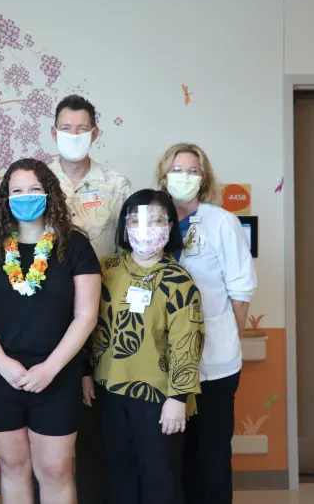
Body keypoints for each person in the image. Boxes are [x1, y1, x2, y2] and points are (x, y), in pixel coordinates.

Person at [0, 158, 101, 504]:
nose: (26, 197)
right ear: (5, 198)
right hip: (0, 373)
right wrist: (2, 363)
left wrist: (50, 368)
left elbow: (85, 315)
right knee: (13, 465)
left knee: (55, 469)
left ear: (49, 194)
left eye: (34, 189)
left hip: (56, 374)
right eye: (17, 191)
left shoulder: (76, 246)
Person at [155, 143, 257, 504]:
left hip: (215, 362)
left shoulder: (221, 222)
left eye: (192, 170)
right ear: (163, 176)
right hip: (164, 366)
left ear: (204, 178)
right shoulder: (153, 222)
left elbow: (240, 291)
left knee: (210, 456)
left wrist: (231, 335)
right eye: (177, 169)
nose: (184, 176)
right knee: (172, 458)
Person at [89, 189, 205, 504]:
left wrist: (178, 397)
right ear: (125, 227)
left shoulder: (179, 281)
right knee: (117, 476)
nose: (146, 229)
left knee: (159, 477)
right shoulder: (106, 269)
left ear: (170, 227)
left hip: (157, 398)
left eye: (156, 221)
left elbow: (187, 342)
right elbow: (89, 326)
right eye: (137, 220)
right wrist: (86, 375)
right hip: (110, 391)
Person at [48, 94, 131, 504]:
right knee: (49, 427)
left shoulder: (116, 186)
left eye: (82, 129)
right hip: (46, 315)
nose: (74, 135)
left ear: (95, 133)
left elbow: (132, 249)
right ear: (54, 132)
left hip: (103, 317)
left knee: (97, 422)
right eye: (67, 128)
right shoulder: (37, 183)